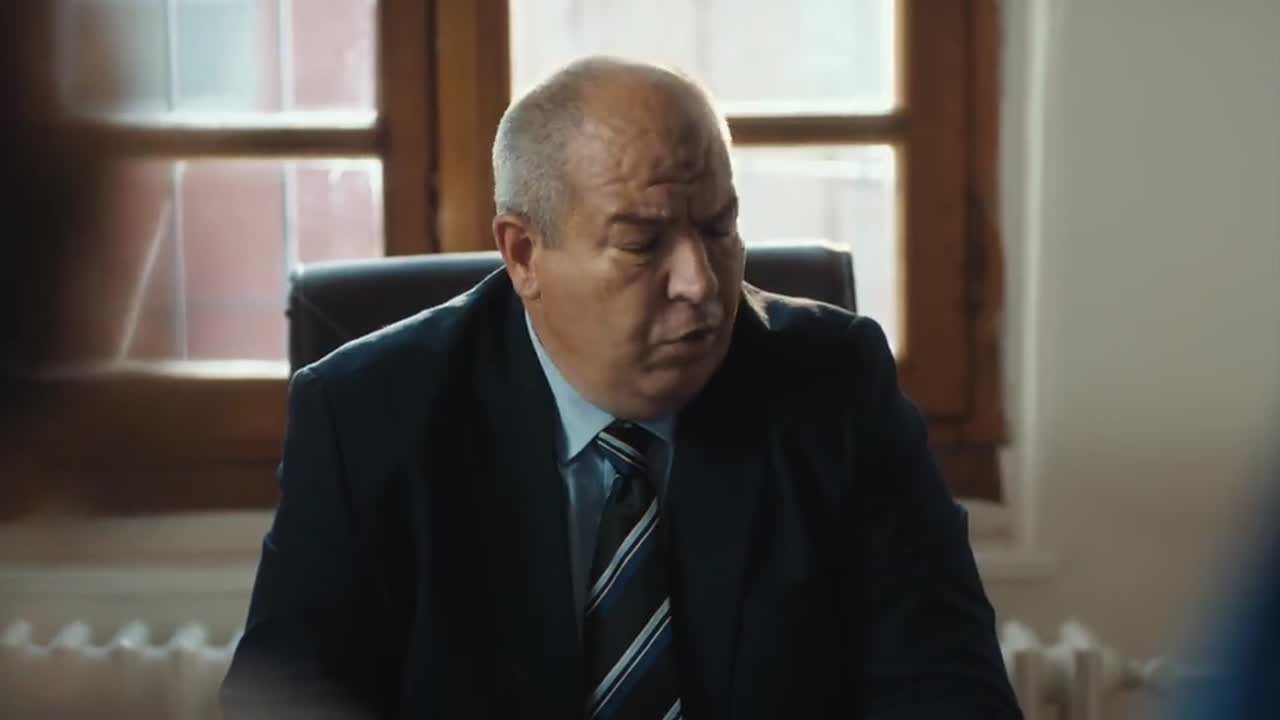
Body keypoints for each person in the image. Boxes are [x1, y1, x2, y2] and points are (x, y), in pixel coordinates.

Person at [222, 57, 1021, 719]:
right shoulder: (369, 416)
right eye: (642, 243)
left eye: (719, 228)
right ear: (524, 254)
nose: (700, 283)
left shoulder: (834, 387)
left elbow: (949, 689)